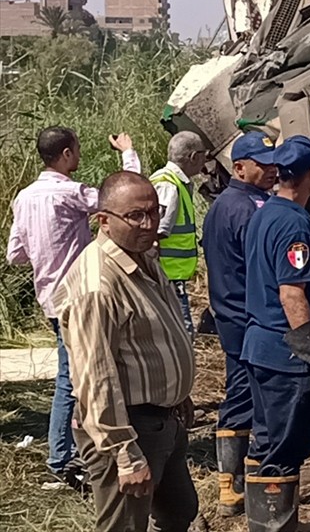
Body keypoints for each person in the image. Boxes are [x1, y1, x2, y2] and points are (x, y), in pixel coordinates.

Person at [55, 172, 197, 532]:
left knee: (179, 510)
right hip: (128, 428)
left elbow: (158, 334)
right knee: (123, 527)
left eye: (154, 212)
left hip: (163, 419)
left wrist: (178, 393)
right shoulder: (97, 285)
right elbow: (95, 377)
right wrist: (124, 452)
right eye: (136, 215)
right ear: (104, 220)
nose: (149, 223)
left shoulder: (142, 257)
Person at [6, 126, 140, 484]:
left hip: (48, 296)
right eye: (76, 150)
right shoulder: (70, 193)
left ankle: (80, 445)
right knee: (74, 377)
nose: (78, 156)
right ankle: (62, 456)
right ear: (66, 154)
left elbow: (16, 254)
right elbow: (125, 203)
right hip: (77, 294)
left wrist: (45, 249)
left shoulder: (25, 197)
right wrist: (127, 154)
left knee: (76, 371)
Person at [241, 136, 310, 532]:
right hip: (287, 358)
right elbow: (291, 293)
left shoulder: (266, 213)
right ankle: (275, 524)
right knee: (284, 451)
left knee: (266, 444)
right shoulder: (293, 224)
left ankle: (262, 523)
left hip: (263, 349)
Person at [200, 131, 279, 517]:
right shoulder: (243, 208)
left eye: (273, 164)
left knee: (248, 393)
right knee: (245, 395)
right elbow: (261, 265)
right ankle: (230, 485)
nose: (270, 171)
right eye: (262, 165)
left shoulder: (235, 202)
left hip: (237, 315)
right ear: (239, 167)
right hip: (244, 317)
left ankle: (240, 482)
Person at [149, 130, 208, 337]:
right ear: (193, 157)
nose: (205, 159)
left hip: (171, 274)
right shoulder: (168, 185)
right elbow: (155, 234)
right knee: (182, 333)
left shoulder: (172, 181)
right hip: (168, 275)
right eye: (203, 154)